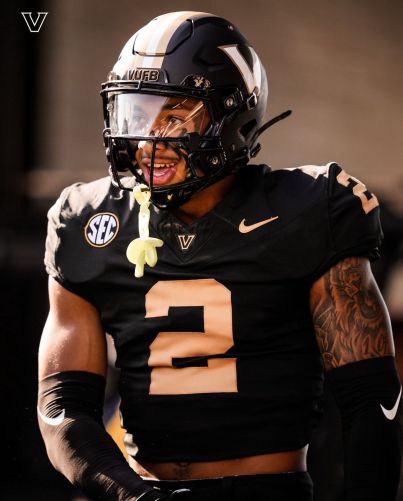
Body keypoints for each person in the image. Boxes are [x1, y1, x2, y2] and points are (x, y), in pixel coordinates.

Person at [37, 11, 402, 501]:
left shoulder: (312, 210)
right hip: (138, 488)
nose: (149, 139)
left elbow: (370, 401)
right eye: (137, 113)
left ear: (234, 117)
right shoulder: (87, 220)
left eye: (175, 115)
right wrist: (132, 495)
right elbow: (62, 411)